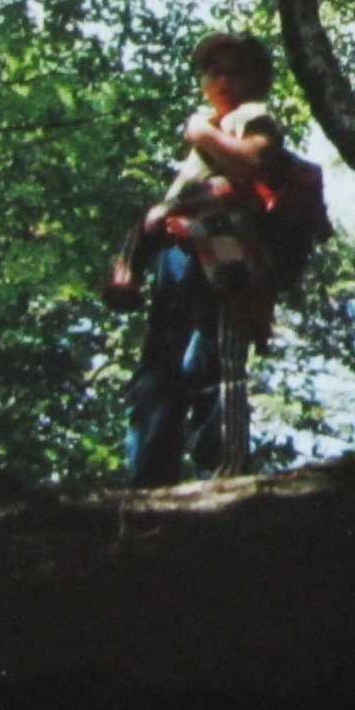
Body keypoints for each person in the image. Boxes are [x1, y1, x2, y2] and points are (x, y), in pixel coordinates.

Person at [116, 33, 292, 487]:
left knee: (213, 362)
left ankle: (224, 476)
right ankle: (149, 482)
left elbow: (253, 163)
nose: (224, 79)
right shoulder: (211, 136)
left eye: (237, 71)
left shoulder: (251, 117)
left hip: (226, 257)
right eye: (215, 71)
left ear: (258, 81)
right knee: (164, 365)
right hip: (181, 254)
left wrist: (202, 132)